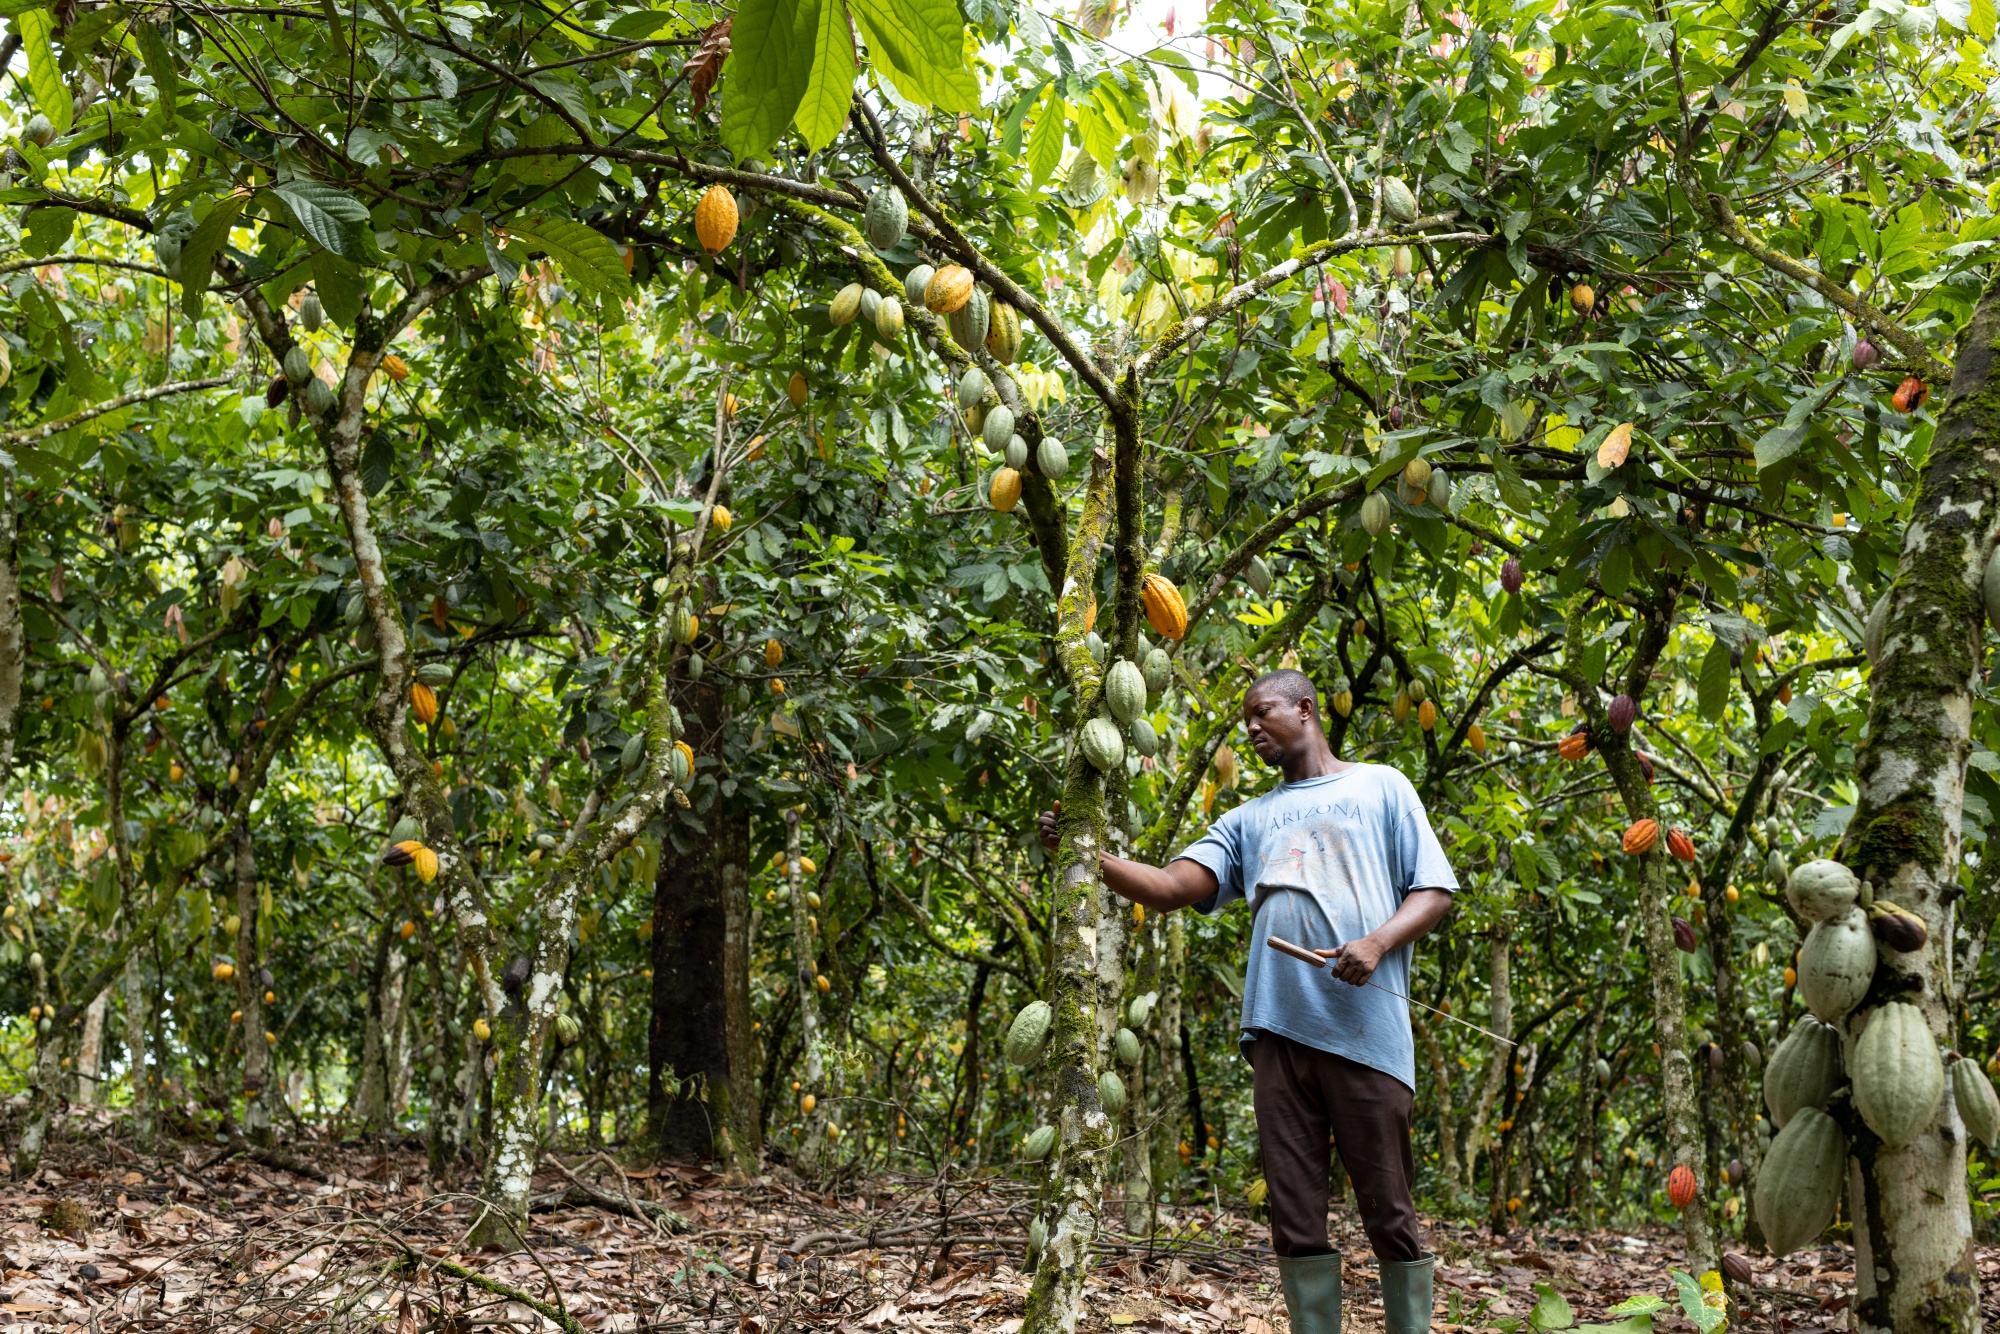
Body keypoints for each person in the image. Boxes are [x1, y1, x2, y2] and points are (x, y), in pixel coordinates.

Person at [1038, 668, 1455, 1334]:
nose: (1253, 728)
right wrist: (1090, 852)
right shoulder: (1247, 819)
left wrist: (1375, 944)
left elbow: (1433, 890)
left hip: (1365, 1033)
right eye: (1246, 722)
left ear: (1306, 710)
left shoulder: (1381, 786)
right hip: (1278, 1036)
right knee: (1294, 1217)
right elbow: (1173, 886)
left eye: (1263, 713)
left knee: (1389, 1211)